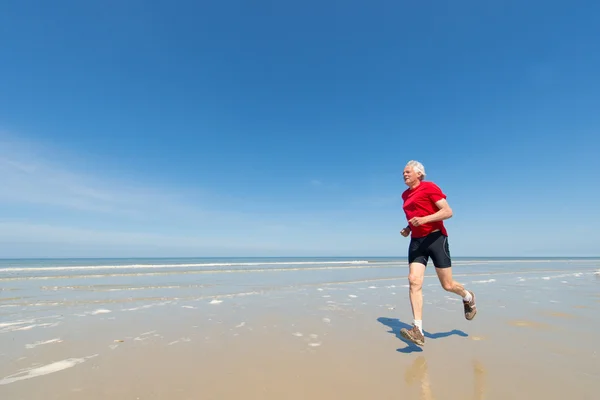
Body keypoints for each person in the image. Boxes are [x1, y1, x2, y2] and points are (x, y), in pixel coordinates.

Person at [398, 160, 476, 346]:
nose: (404, 174)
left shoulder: (429, 187)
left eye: (408, 172)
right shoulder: (404, 195)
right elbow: (416, 215)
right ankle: (417, 329)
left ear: (419, 174)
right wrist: (409, 227)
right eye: (403, 172)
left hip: (436, 239)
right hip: (417, 242)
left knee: (447, 285)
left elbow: (448, 212)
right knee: (413, 280)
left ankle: (468, 297)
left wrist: (424, 220)